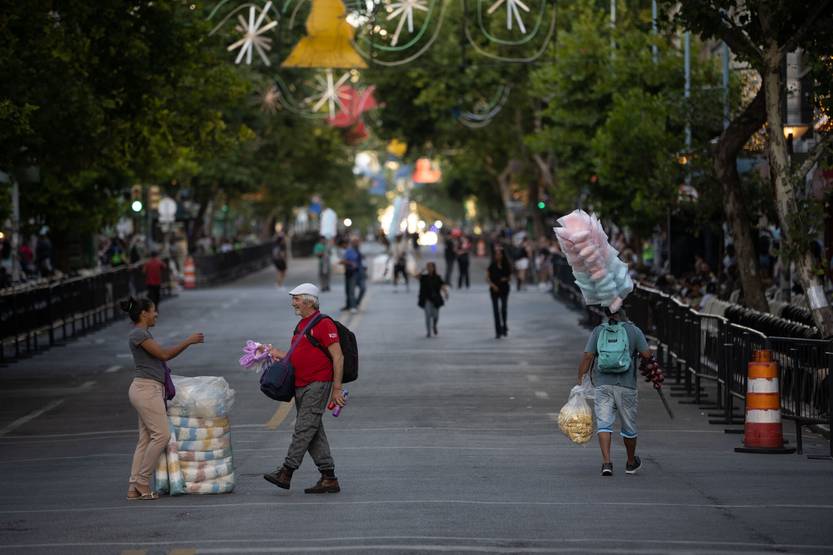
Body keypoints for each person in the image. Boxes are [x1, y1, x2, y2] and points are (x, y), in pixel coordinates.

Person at [263, 283, 346, 493]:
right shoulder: (302, 325)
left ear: (309, 301)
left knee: (303, 429)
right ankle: (329, 477)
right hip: (301, 384)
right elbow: (295, 356)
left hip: (317, 384)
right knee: (313, 430)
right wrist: (274, 352)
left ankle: (286, 471)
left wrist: (336, 389)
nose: (293, 303)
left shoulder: (323, 324)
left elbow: (338, 356)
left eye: (297, 299)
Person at [121, 296, 204, 500]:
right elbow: (164, 355)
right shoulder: (138, 334)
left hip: (148, 389)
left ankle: (134, 486)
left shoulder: (142, 333)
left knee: (146, 439)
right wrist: (189, 341)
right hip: (146, 390)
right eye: (153, 310)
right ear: (144, 314)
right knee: (162, 435)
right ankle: (142, 480)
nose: (156, 314)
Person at [576, 308, 651, 477]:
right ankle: (631, 463)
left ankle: (606, 463)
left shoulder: (599, 331)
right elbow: (646, 354)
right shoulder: (633, 330)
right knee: (629, 426)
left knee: (604, 424)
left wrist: (580, 380)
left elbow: (588, 356)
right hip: (627, 385)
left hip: (603, 384)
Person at [487, 245, 512, 338]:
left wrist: (504, 279)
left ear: (502, 255)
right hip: (494, 290)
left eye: (499, 254)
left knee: (504, 308)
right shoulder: (492, 265)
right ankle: (497, 331)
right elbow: (487, 278)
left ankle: (504, 325)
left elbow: (509, 277)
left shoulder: (507, 265)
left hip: (504, 288)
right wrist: (493, 286)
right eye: (496, 254)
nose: (497, 256)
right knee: (496, 311)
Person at [418, 262, 449, 337]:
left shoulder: (438, 277)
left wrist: (446, 293)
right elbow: (416, 276)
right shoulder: (424, 277)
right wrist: (422, 271)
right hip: (426, 299)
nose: (429, 269)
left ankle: (434, 325)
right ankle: (428, 332)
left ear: (434, 268)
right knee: (427, 315)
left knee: (436, 316)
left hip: (436, 299)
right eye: (428, 267)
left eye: (431, 267)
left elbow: (442, 285)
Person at [342, 237, 365, 313]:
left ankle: (357, 303)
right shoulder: (349, 251)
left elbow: (361, 261)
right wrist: (351, 263)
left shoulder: (359, 251)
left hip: (360, 273)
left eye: (358, 242)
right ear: (352, 243)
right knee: (351, 291)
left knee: (363, 288)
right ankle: (353, 306)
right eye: (355, 242)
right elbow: (343, 260)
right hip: (353, 273)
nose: (357, 243)